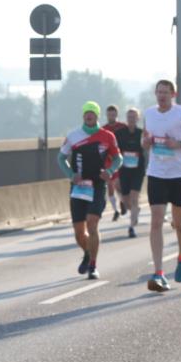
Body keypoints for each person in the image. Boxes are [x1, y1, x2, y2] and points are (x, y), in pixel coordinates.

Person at [142, 79, 181, 292]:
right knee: (156, 221)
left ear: (173, 94)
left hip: (179, 174)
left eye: (165, 92)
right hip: (156, 173)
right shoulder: (149, 114)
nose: (161, 96)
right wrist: (146, 142)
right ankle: (159, 273)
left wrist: (180, 143)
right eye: (158, 92)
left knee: (179, 223)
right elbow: (146, 138)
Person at [59, 101, 123, 279]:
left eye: (92, 113)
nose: (89, 116)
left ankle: (93, 266)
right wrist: (71, 175)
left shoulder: (107, 136)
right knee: (79, 232)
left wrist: (110, 171)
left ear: (97, 116)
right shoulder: (73, 136)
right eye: (86, 113)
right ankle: (88, 253)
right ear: (83, 116)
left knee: (92, 223)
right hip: (78, 187)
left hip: (97, 186)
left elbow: (118, 159)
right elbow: (61, 158)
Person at [114, 108, 146, 238]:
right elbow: (114, 151)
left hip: (138, 170)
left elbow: (148, 147)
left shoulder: (142, 133)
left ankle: (131, 227)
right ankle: (135, 210)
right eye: (129, 117)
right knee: (127, 201)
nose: (131, 119)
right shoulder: (119, 133)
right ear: (126, 119)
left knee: (134, 197)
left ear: (138, 119)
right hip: (124, 169)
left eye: (134, 117)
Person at [103, 105, 127, 221]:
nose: (111, 117)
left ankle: (122, 202)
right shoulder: (103, 129)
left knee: (118, 185)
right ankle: (115, 210)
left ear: (117, 115)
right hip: (108, 160)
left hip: (120, 158)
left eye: (113, 115)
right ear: (106, 115)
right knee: (110, 185)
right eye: (109, 115)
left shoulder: (122, 127)